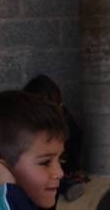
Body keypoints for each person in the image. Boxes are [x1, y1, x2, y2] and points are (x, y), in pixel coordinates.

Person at [23, 74, 89, 202]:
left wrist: (73, 166)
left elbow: (74, 139)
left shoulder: (62, 117)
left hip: (59, 163)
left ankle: (64, 185)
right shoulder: (29, 120)